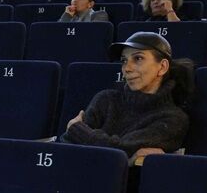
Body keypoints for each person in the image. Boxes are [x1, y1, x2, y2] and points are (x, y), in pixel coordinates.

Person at [60, 31, 193, 158]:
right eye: (124, 60)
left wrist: (76, 129)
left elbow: (122, 149)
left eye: (138, 58)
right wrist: (124, 158)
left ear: (162, 67)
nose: (127, 68)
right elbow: (68, 144)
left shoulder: (174, 119)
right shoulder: (105, 99)